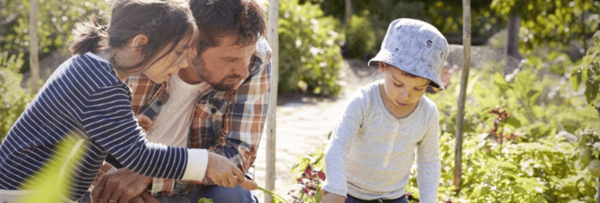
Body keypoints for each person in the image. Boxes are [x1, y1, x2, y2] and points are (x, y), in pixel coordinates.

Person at [0, 0, 252, 202]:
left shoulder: (90, 66)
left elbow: (81, 125)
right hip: (28, 193)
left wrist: (127, 124)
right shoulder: (104, 85)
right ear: (141, 43)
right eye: (178, 53)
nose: (184, 63)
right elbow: (139, 156)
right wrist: (206, 161)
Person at [87, 0, 271, 202]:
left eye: (248, 56)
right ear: (192, 46)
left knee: (232, 196)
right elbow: (74, 140)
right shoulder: (135, 49)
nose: (243, 71)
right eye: (229, 60)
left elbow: (237, 154)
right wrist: (113, 182)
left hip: (193, 180)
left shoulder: (255, 57)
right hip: (121, 168)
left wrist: (151, 174)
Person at [320, 18, 449, 203]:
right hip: (350, 194)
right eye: (398, 84)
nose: (405, 96)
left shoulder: (427, 113)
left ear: (429, 83)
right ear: (383, 66)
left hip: (394, 198)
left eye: (418, 89)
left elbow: (429, 162)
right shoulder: (364, 101)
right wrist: (335, 189)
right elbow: (338, 144)